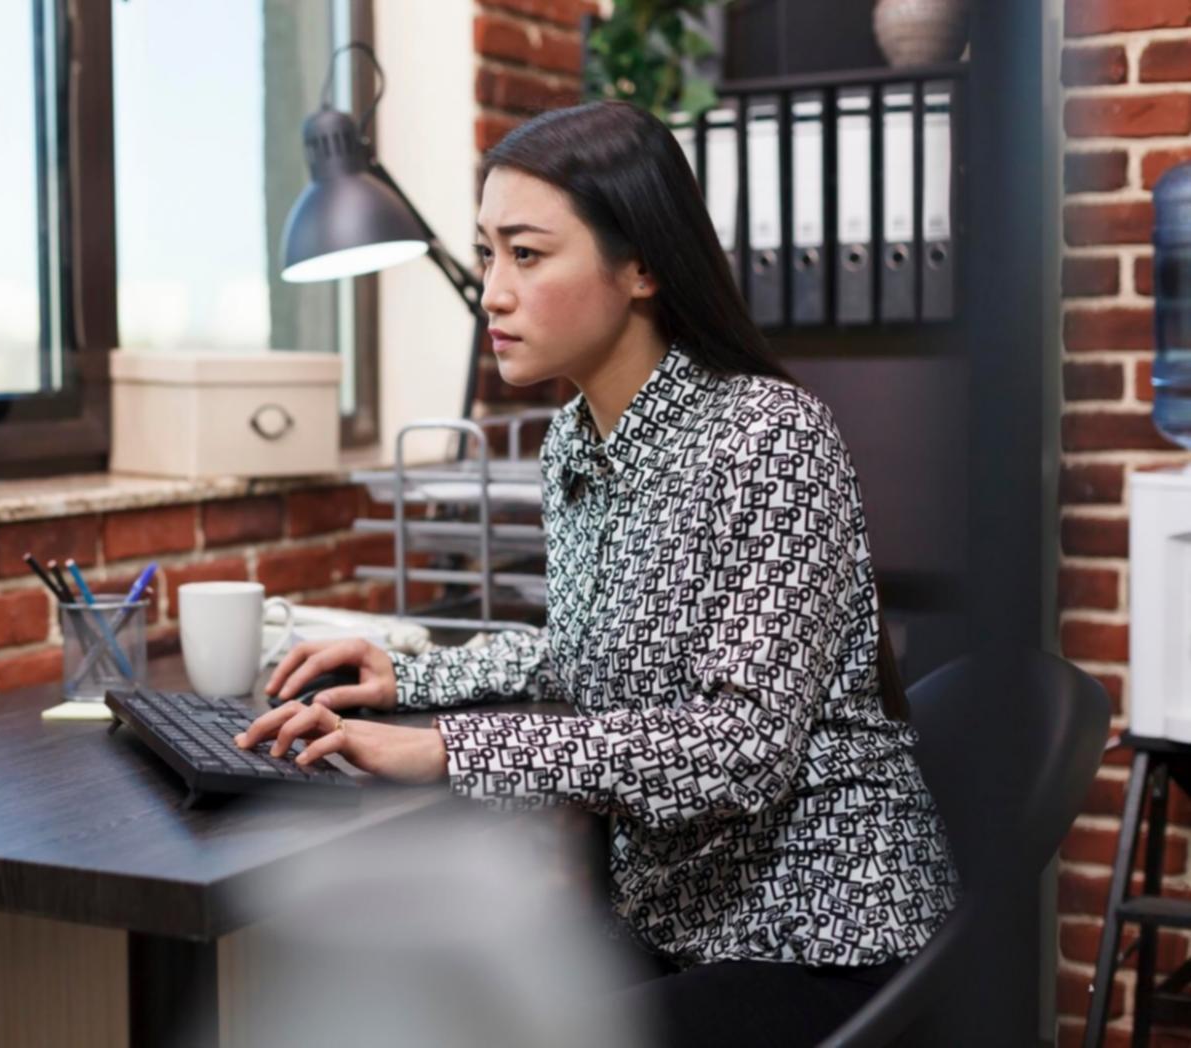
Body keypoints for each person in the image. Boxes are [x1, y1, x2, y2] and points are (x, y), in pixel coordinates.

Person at [234, 99, 959, 1045]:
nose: (492, 291)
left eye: (526, 255)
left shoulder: (767, 437)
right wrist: (404, 675)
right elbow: (586, 657)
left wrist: (449, 749)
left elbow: (737, 750)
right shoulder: (576, 439)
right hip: (672, 922)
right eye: (488, 253)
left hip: (818, 929)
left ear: (643, 267)